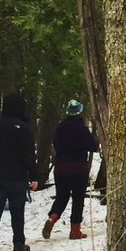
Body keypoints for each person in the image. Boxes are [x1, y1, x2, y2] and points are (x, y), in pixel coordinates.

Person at [0, 91, 37, 251]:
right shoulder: (23, 128)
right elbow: (29, 155)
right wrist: (34, 176)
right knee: (17, 211)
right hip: (17, 177)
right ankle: (18, 244)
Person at [43, 99, 99, 240]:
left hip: (61, 168)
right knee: (78, 198)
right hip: (78, 168)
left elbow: (56, 145)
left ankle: (52, 218)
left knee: (62, 196)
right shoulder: (82, 129)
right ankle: (75, 231)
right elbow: (93, 146)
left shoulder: (60, 128)